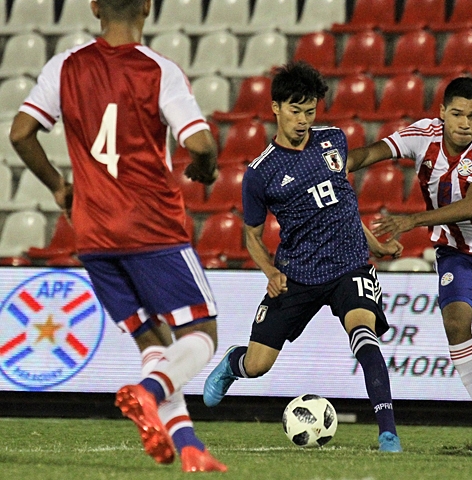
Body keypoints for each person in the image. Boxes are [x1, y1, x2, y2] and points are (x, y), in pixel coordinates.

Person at [9, 0, 227, 472]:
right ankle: (147, 393)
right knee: (203, 332)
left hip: (91, 231)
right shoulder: (158, 71)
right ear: (148, 8)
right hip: (152, 227)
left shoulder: (64, 66)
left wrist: (58, 186)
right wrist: (203, 170)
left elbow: (21, 132)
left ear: (93, 7)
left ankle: (187, 444)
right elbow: (201, 143)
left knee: (154, 340)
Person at [202, 61, 403, 452]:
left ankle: (388, 432)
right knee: (258, 365)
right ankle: (232, 364)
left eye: (310, 111)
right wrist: (269, 271)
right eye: (296, 111)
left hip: (349, 265)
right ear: (276, 108)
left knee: (365, 337)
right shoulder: (261, 173)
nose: (304, 120)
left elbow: (339, 203)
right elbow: (252, 236)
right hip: (297, 273)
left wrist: (373, 246)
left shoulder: (333, 140)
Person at [347, 77, 472, 451]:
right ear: (442, 113)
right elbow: (374, 151)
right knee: (456, 322)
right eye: (456, 113)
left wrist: (411, 221)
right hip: (459, 253)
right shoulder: (423, 135)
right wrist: (339, 165)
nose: (464, 123)